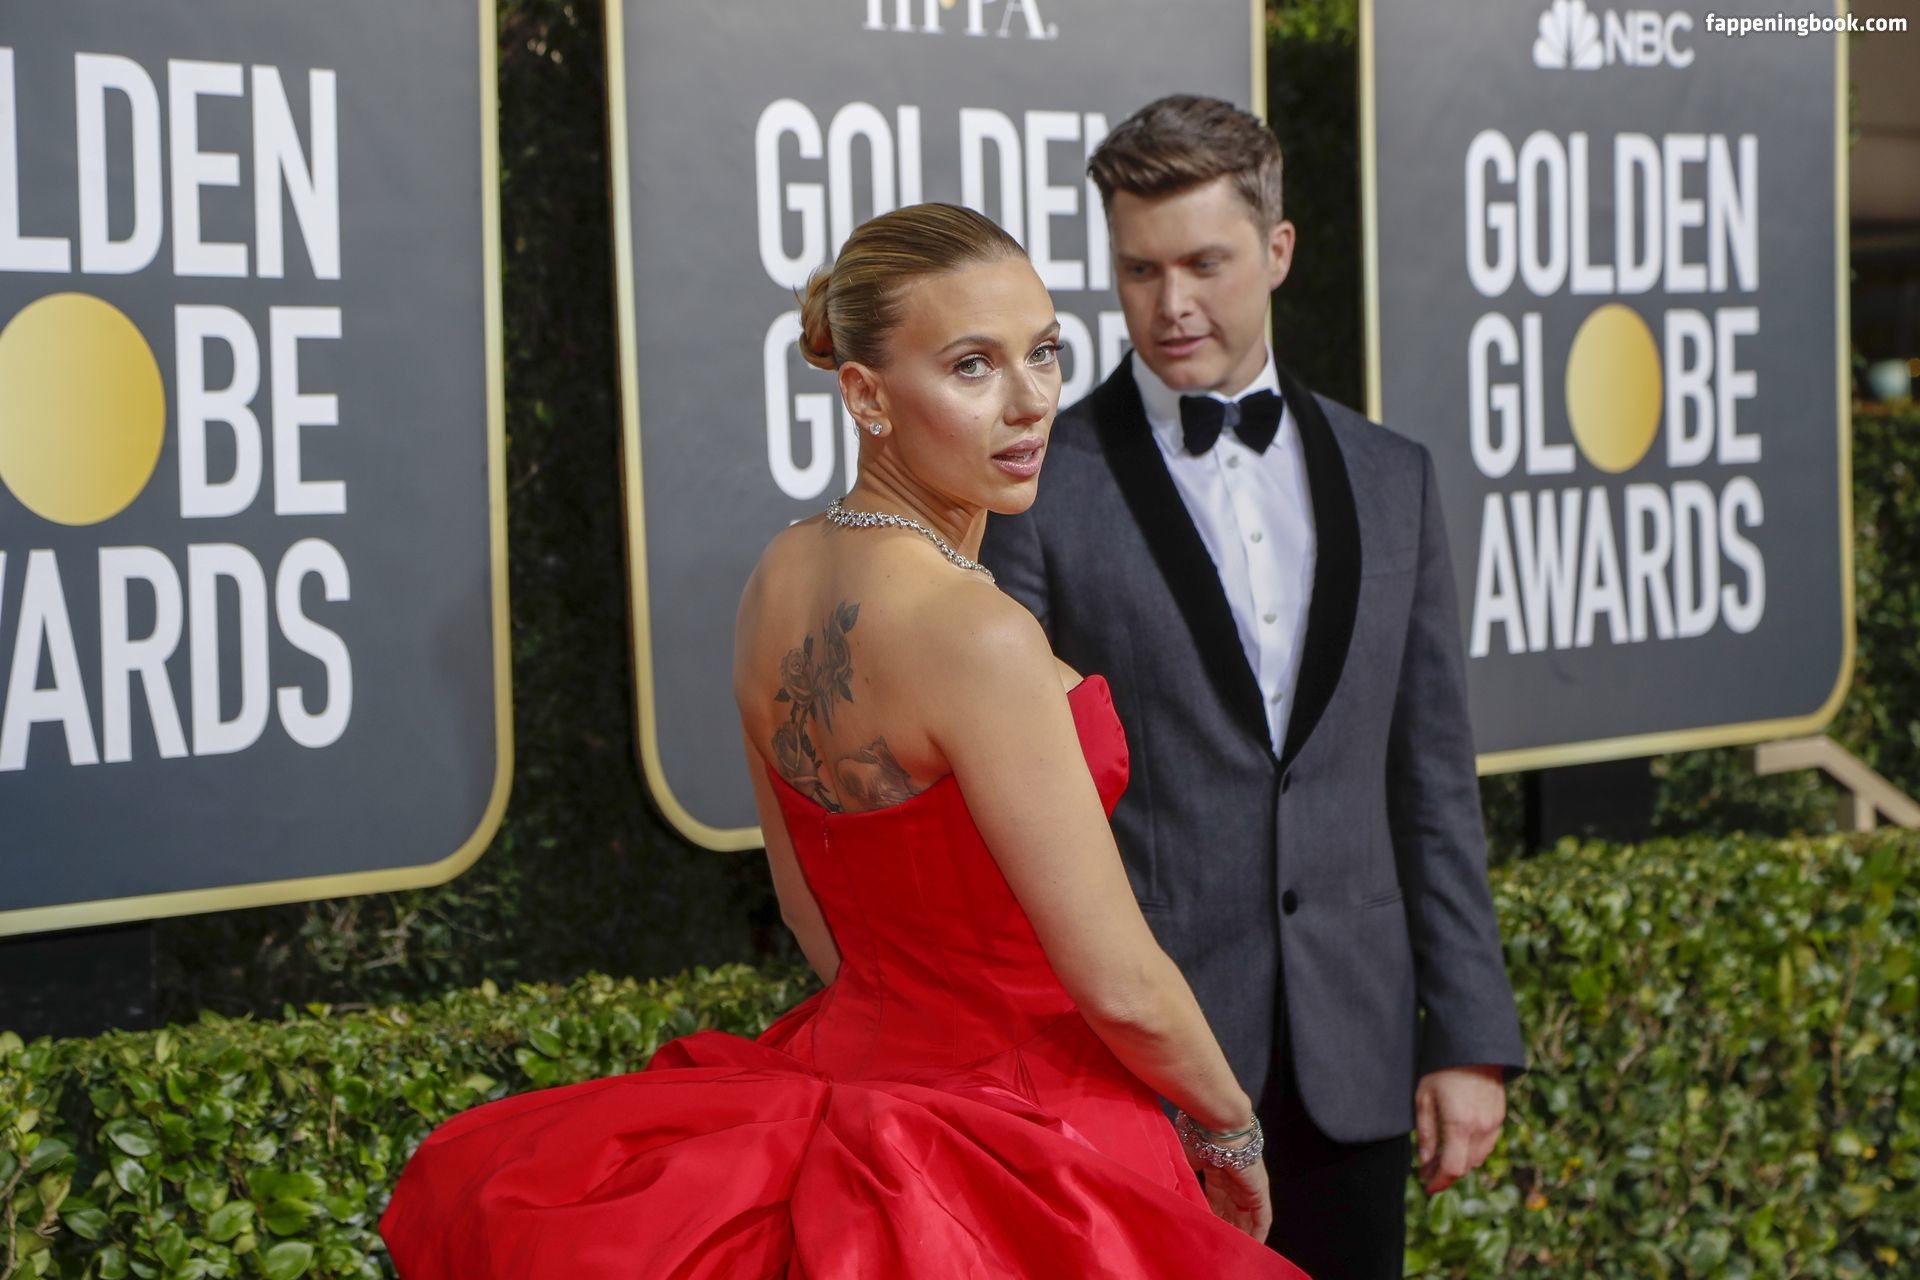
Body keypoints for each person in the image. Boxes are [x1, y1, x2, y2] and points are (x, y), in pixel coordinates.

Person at [378, 202, 1310, 1279]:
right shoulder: (976, 633)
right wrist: (1230, 1130)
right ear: (865, 395)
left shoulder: (777, 578)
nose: (1029, 401)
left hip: (853, 1091)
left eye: (1045, 351)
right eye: (972, 366)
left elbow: (809, 914)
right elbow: (1120, 984)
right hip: (1032, 1138)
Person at [978, 95, 1528, 1280]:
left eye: (1204, 264)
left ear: (1277, 250)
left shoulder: (1392, 475)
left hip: (1354, 1057)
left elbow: (1432, 776)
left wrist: (1469, 1035)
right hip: (1141, 1073)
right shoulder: (1040, 487)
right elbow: (1015, 799)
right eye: (1139, 269)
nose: (1170, 303)